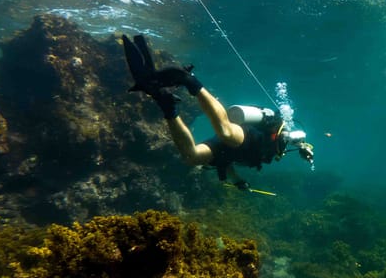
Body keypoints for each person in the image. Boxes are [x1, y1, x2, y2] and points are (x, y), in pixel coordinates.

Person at [123, 34, 313, 190]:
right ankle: (188, 80)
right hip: (249, 136)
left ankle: (166, 103)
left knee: (192, 157)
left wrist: (238, 181)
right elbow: (293, 136)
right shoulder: (282, 137)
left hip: (228, 152)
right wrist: (304, 147)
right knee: (227, 133)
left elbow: (229, 163)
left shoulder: (259, 156)